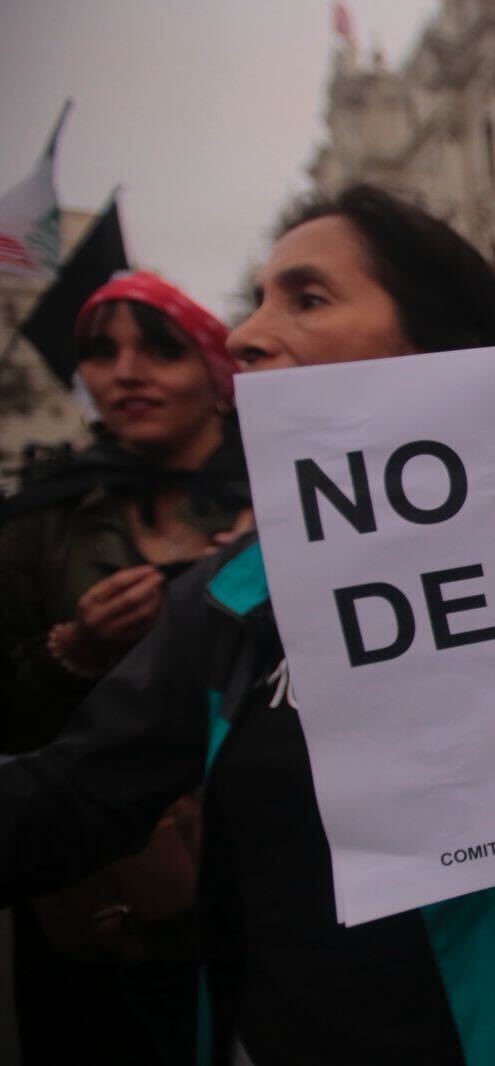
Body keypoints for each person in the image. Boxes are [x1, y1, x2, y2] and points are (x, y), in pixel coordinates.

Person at [0, 139, 495, 1065]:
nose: (244, 336)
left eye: (307, 299)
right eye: (256, 300)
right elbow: (68, 794)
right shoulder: (230, 600)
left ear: (431, 349)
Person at [0, 271, 248, 1066]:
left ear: (218, 372)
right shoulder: (39, 519)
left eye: (161, 351)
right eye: (101, 354)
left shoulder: (287, 499)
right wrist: (70, 653)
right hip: (95, 912)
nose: (126, 374)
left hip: (259, 891)